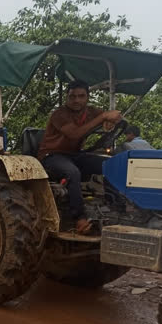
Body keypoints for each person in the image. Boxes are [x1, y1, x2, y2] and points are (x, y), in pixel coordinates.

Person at [36, 80, 122, 234]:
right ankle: (79, 218)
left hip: (75, 155)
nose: (76, 100)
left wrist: (111, 122)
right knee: (72, 172)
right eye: (72, 96)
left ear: (87, 97)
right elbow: (74, 133)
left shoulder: (90, 112)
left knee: (112, 164)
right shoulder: (59, 114)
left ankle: (116, 207)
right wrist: (103, 118)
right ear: (67, 98)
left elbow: (113, 116)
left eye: (81, 96)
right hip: (51, 155)